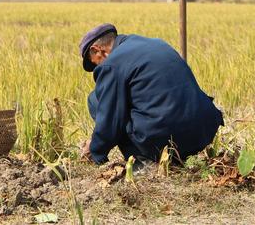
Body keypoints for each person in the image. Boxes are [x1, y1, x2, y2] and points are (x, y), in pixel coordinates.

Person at [79, 23, 223, 165]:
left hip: (167, 139)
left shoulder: (111, 64)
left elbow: (110, 118)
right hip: (203, 131)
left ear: (98, 50)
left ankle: (141, 161)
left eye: (95, 63)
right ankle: (178, 158)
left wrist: (95, 150)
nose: (98, 67)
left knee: (95, 100)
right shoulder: (158, 43)